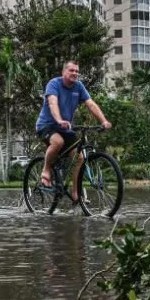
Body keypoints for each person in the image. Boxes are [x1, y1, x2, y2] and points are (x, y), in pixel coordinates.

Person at [35, 60, 112, 200]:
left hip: (65, 127)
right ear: (64, 72)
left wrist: (104, 121)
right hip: (47, 125)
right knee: (57, 142)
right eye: (72, 70)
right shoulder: (54, 84)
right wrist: (59, 120)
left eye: (77, 71)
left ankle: (76, 194)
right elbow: (53, 103)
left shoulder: (79, 86)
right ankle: (46, 170)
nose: (75, 73)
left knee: (80, 158)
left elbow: (91, 104)